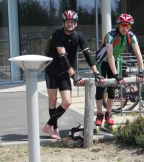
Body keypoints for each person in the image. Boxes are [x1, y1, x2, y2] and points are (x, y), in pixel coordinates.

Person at [42, 10, 105, 140]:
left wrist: (96, 73)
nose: (70, 24)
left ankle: (47, 126)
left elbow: (88, 55)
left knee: (67, 101)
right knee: (53, 101)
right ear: (63, 23)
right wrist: (74, 75)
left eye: (72, 22)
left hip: (65, 73)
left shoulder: (79, 36)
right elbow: (63, 56)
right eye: (67, 21)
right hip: (52, 71)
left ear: (76, 24)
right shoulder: (57, 34)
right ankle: (55, 129)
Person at [94, 13, 144, 126]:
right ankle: (99, 114)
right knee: (100, 89)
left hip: (114, 62)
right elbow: (110, 55)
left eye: (128, 26)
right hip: (102, 62)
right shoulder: (111, 35)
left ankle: (108, 113)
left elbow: (138, 54)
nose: (125, 28)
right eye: (123, 25)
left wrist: (141, 71)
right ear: (118, 25)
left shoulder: (131, 36)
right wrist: (116, 74)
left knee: (112, 90)